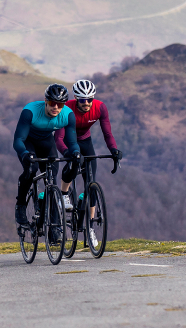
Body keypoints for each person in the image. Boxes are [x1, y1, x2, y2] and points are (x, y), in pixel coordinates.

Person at [54, 78, 123, 248]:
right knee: (74, 163)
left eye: (89, 99)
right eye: (82, 100)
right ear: (76, 99)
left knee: (90, 182)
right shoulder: (67, 108)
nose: (86, 103)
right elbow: (59, 137)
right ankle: (64, 193)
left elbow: (107, 133)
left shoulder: (100, 107)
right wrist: (67, 153)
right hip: (69, 140)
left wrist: (114, 150)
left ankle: (89, 227)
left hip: (85, 140)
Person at [13, 84, 81, 236]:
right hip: (27, 142)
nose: (56, 107)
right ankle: (21, 204)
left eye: (60, 104)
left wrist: (75, 152)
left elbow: (72, 142)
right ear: (45, 100)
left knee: (52, 182)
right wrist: (24, 153)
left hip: (46, 142)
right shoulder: (30, 111)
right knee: (31, 170)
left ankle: (55, 226)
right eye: (52, 103)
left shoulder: (68, 115)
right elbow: (18, 139)